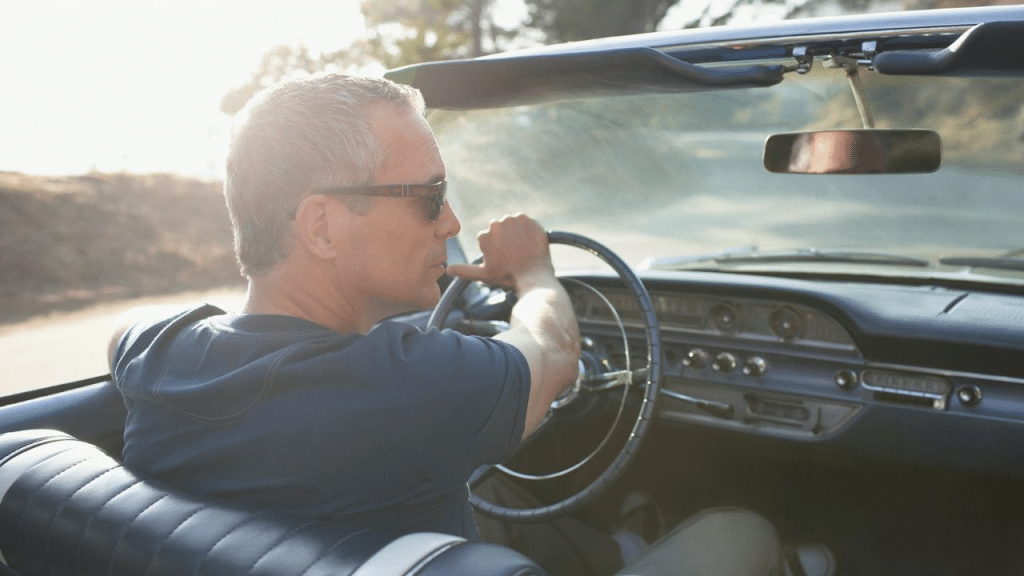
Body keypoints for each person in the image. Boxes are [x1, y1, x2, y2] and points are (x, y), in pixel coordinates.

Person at [109, 74, 825, 576]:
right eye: (428, 198)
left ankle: (619, 550)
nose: (451, 223)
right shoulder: (408, 386)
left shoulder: (158, 351)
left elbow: (123, 335)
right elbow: (555, 350)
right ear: (321, 225)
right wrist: (535, 271)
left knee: (494, 488)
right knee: (742, 531)